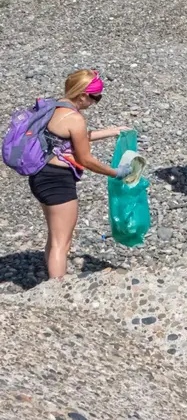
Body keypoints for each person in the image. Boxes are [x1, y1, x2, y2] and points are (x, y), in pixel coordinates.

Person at [29, 69, 133, 280]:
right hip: (58, 181)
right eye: (96, 98)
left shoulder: (54, 106)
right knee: (62, 243)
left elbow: (72, 139)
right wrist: (116, 173)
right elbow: (86, 159)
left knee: (55, 234)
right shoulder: (75, 118)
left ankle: (49, 282)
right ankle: (56, 291)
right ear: (83, 94)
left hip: (40, 175)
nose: (95, 103)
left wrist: (112, 131)